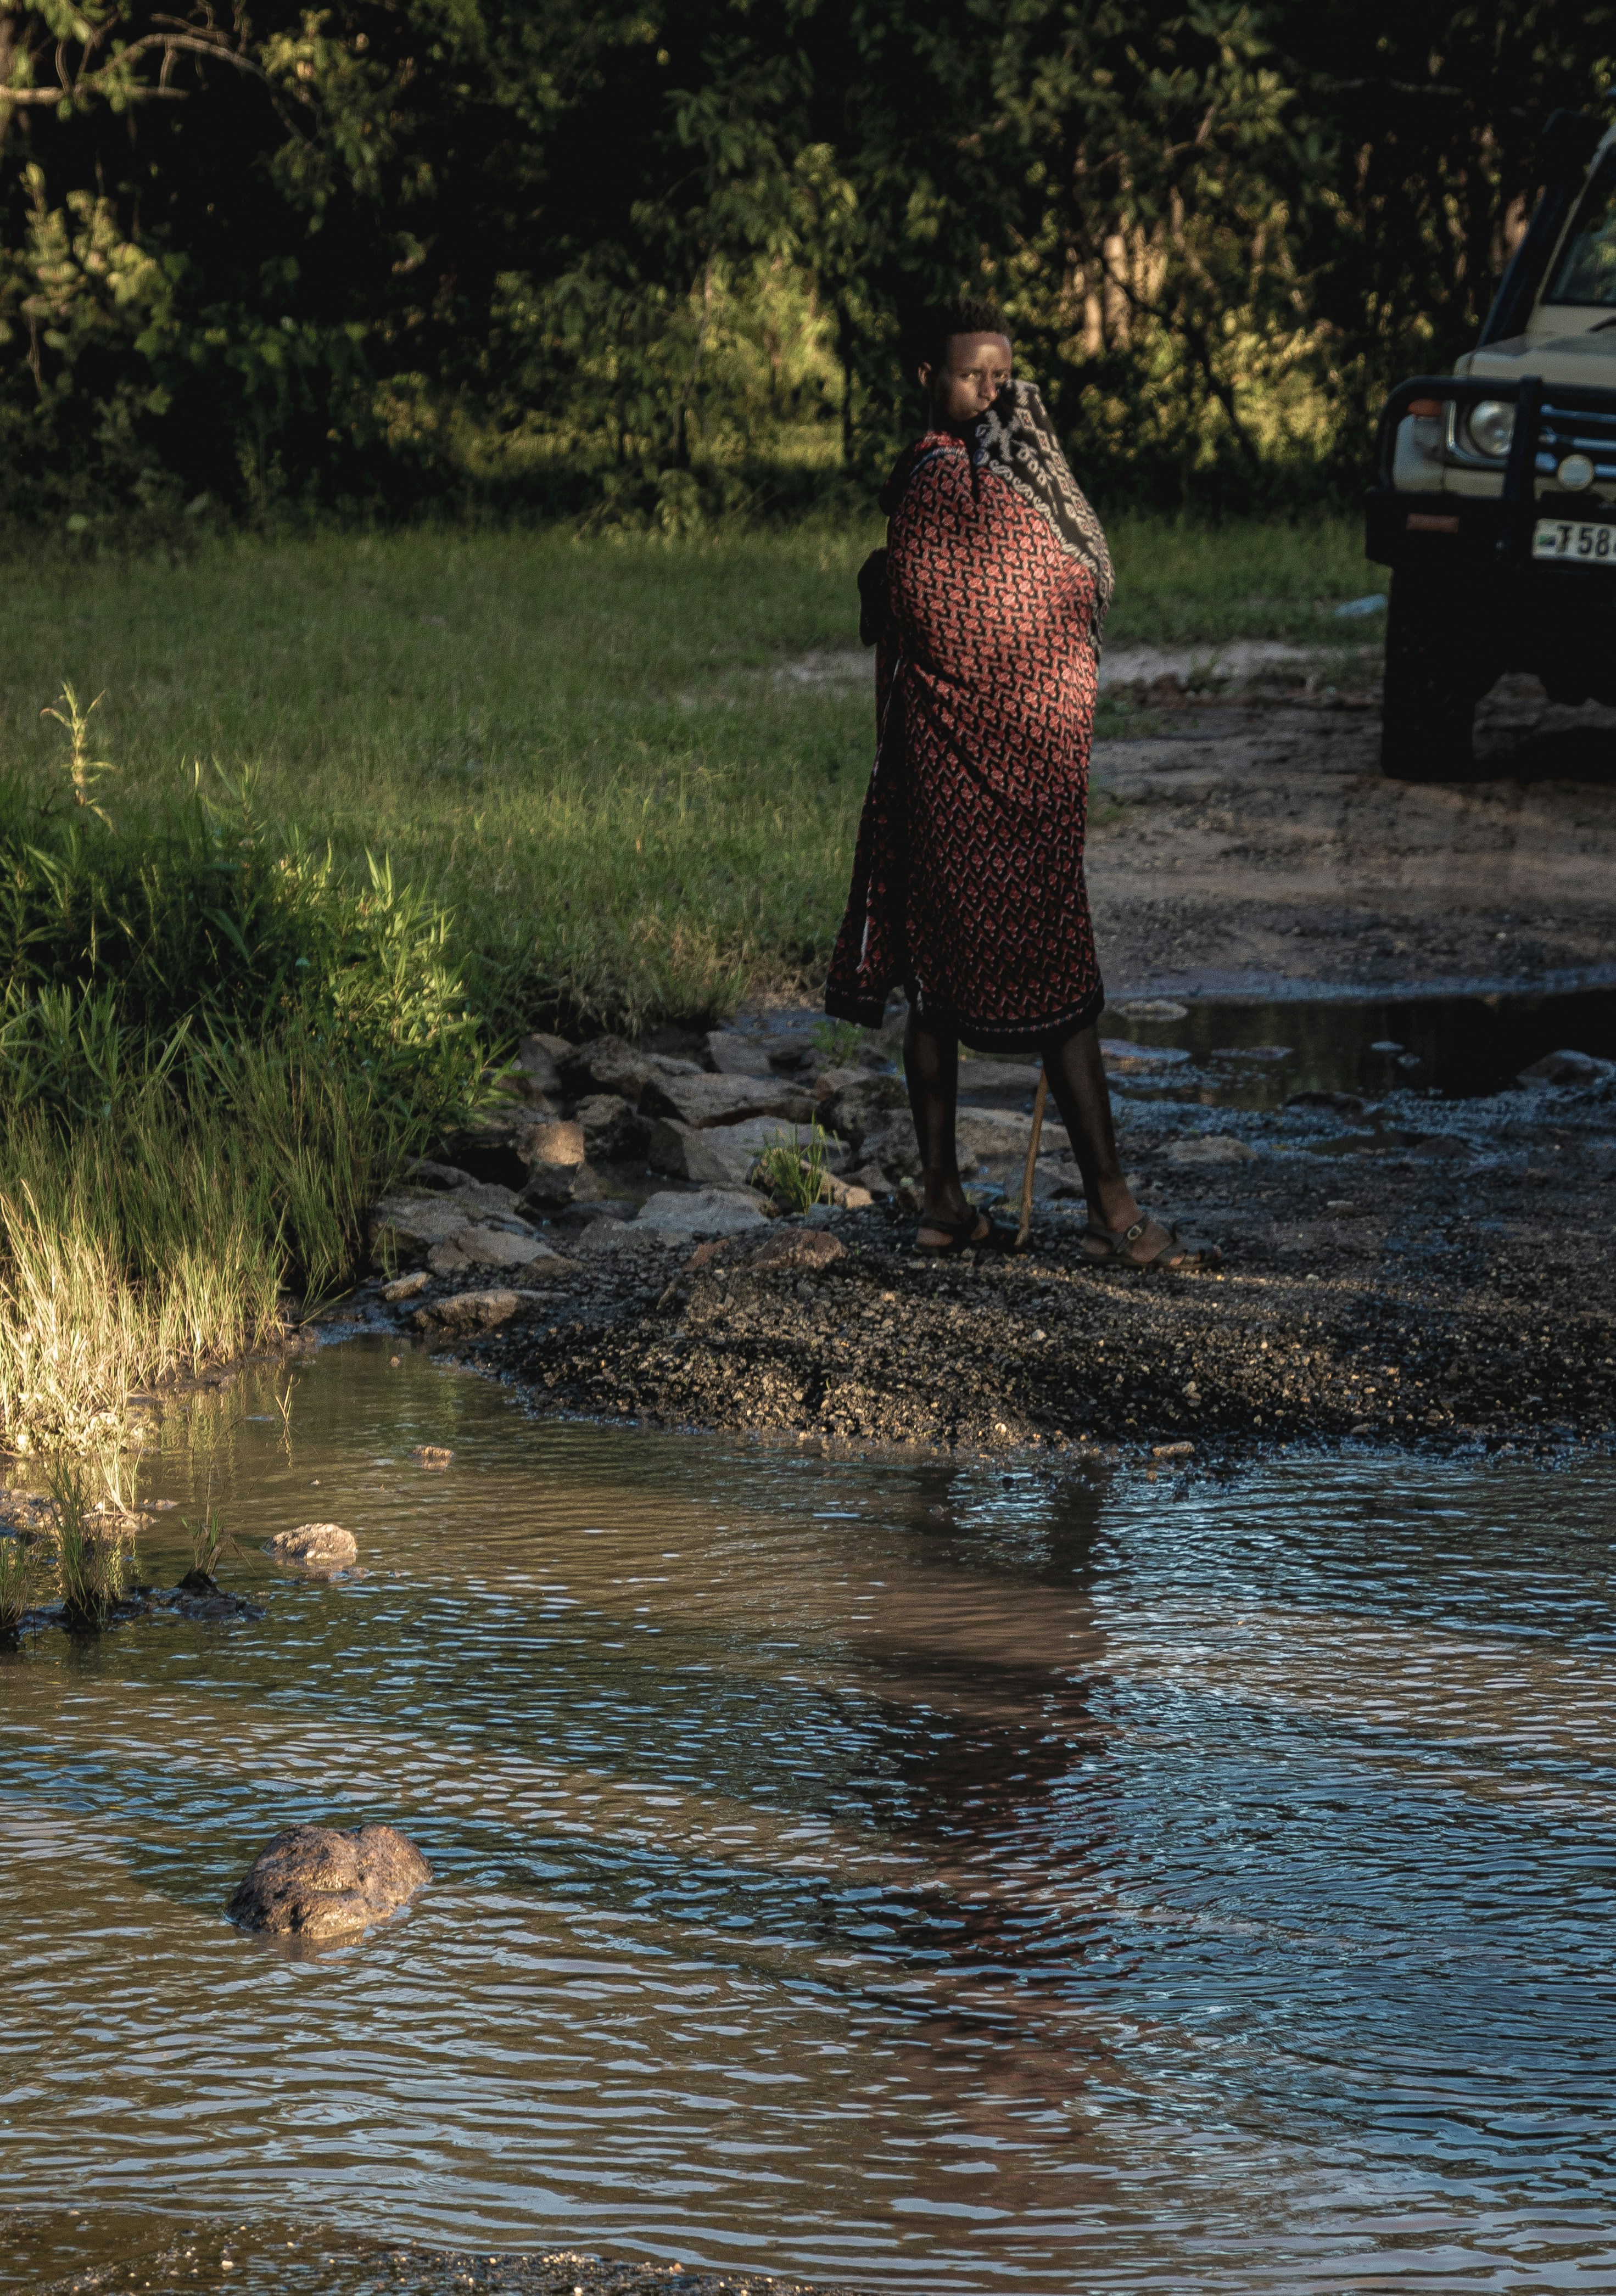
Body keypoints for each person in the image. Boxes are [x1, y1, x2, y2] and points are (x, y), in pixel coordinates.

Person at [826, 295, 1218, 1268]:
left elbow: (1056, 583)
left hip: (985, 763)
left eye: (1004, 374)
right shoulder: (935, 482)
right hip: (965, 766)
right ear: (927, 377)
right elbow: (999, 600)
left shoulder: (993, 474)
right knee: (1042, 986)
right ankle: (1111, 1213)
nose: (994, 391)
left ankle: (946, 1205)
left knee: (944, 978)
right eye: (973, 376)